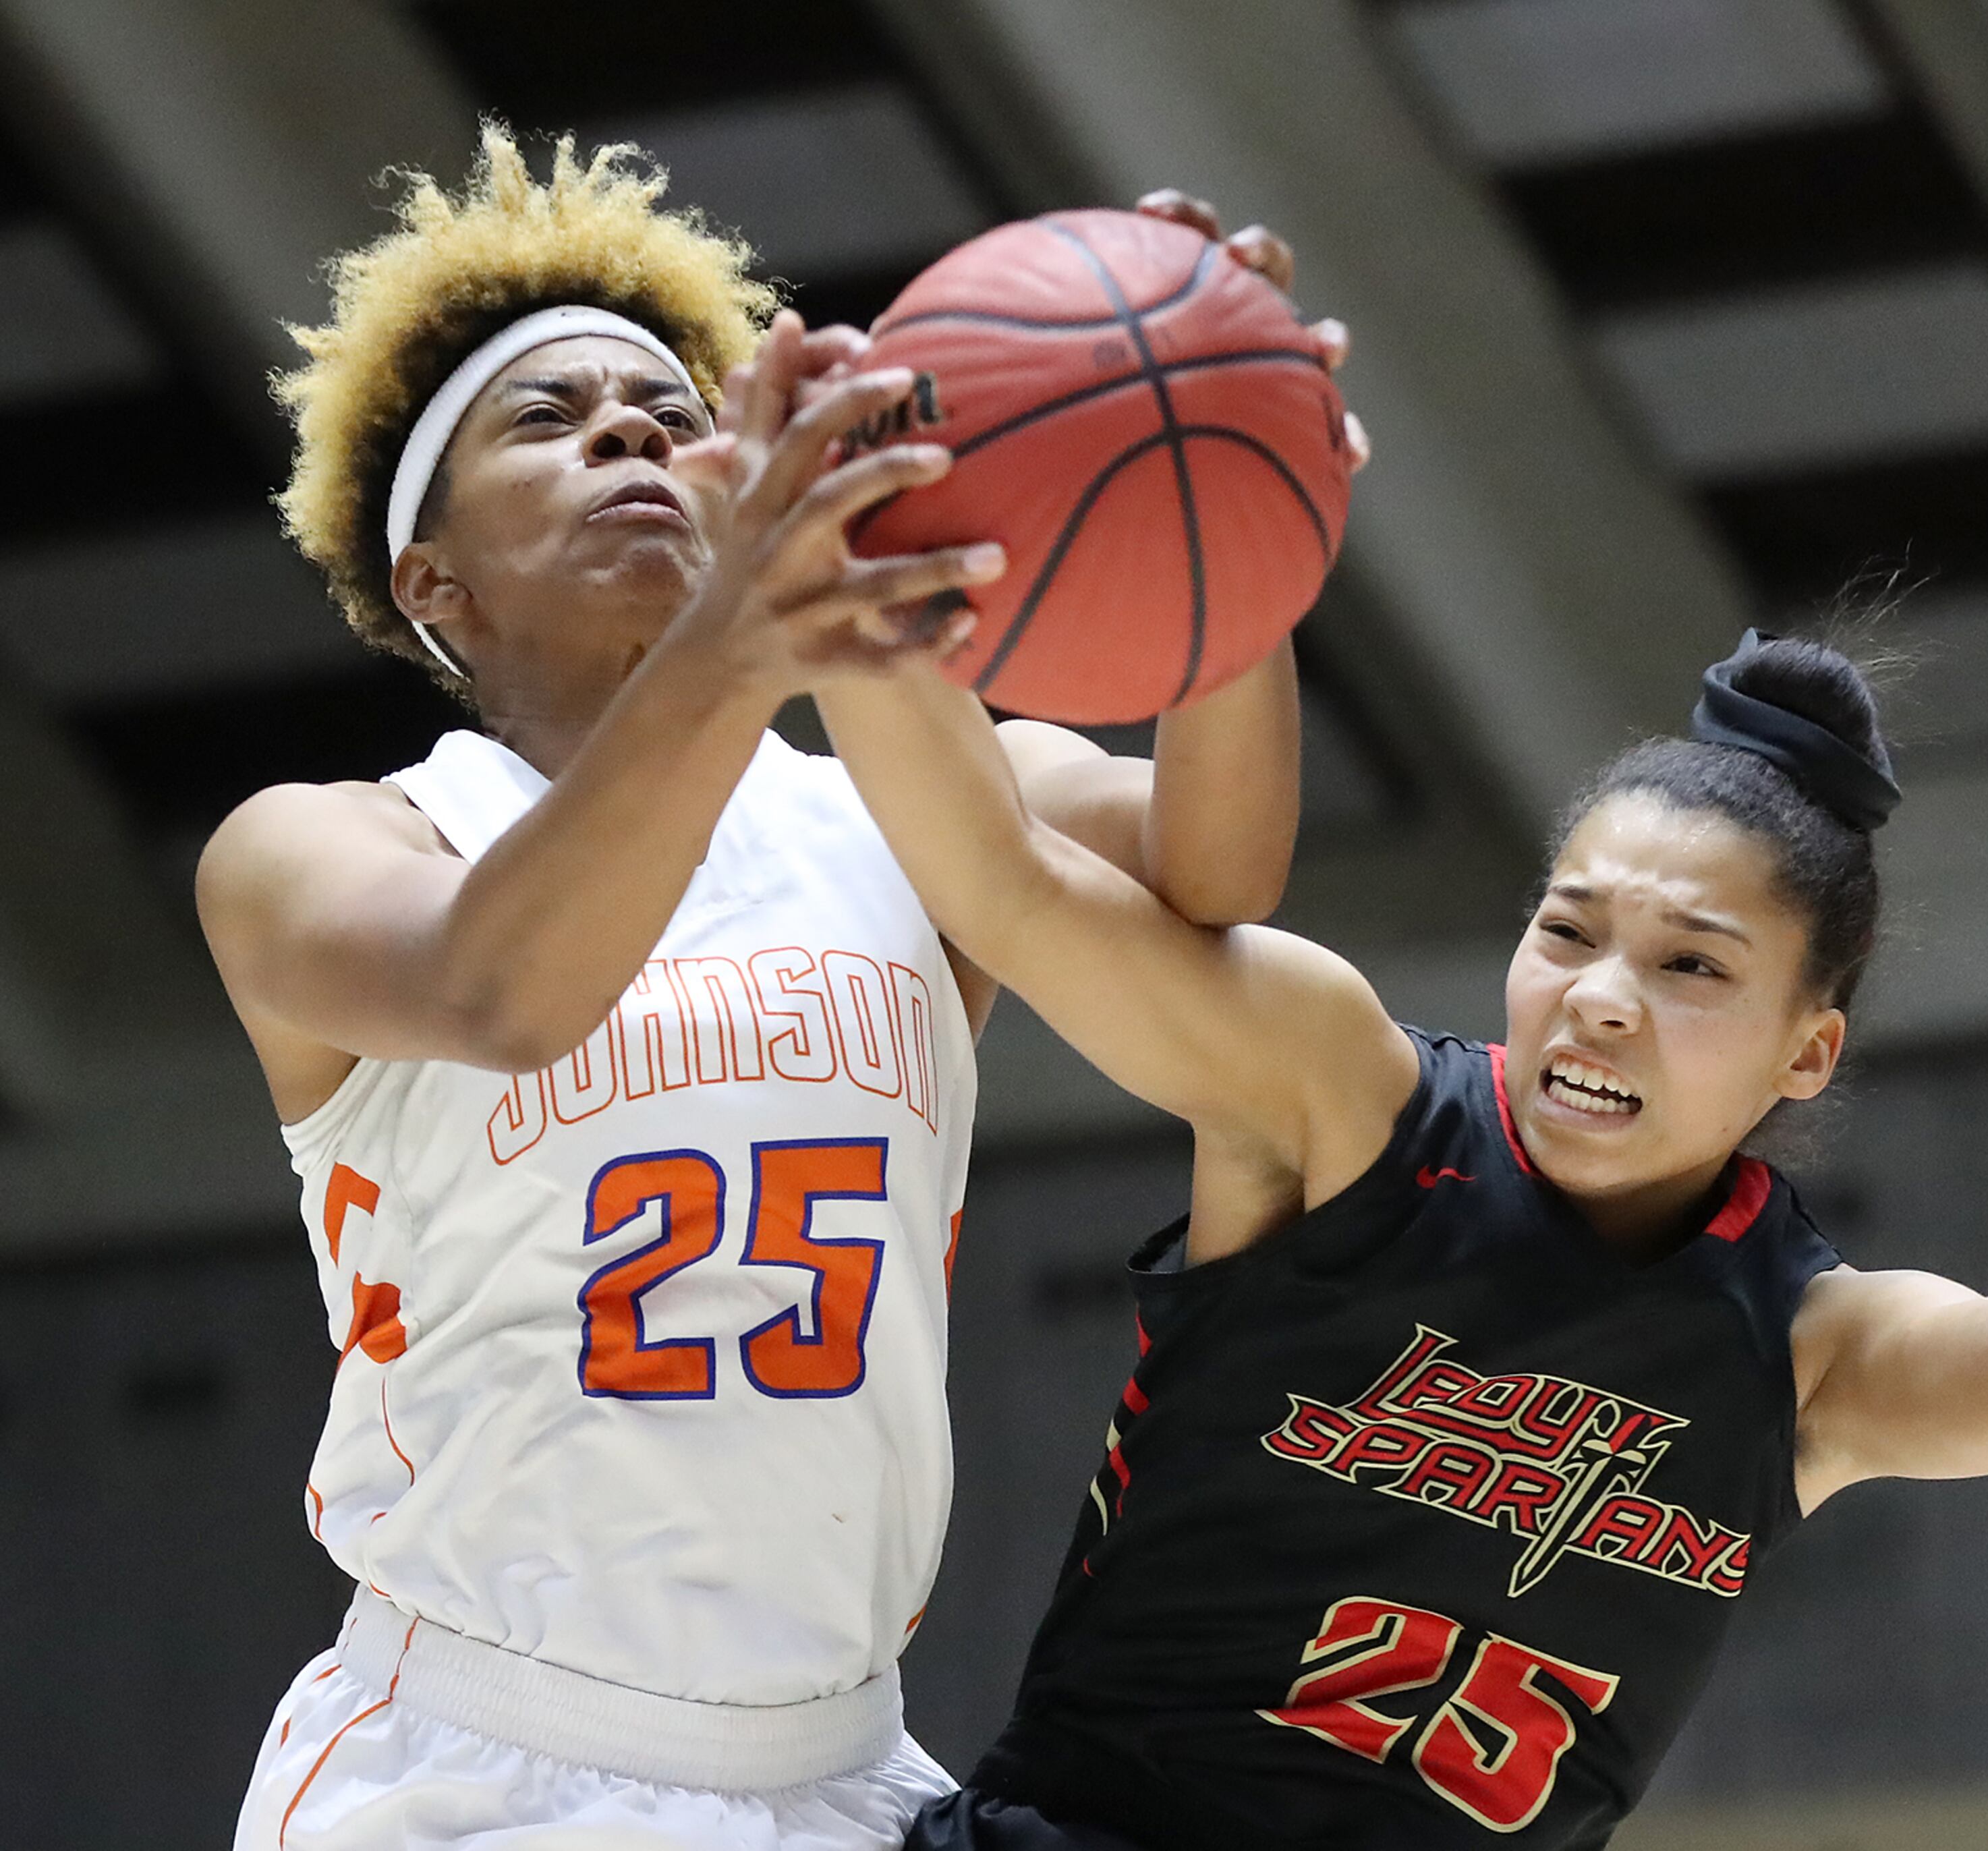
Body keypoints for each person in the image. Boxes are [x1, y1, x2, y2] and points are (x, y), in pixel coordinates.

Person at [805, 628, 1988, 1851]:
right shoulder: (1342, 1100)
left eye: (1691, 965)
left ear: (1807, 1051)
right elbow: (1007, 890)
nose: (1602, 998)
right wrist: (825, 599)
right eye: (1569, 932)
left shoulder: (1800, 1346)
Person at [200, 125, 1356, 1849]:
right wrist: (746, 634)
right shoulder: (327, 844)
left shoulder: (905, 804)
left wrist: (1232, 497)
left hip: (841, 1767)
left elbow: (1217, 871)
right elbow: (504, 991)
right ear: (434, 584)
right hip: (480, 1758)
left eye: (671, 415)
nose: (629, 436)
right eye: (550, 418)